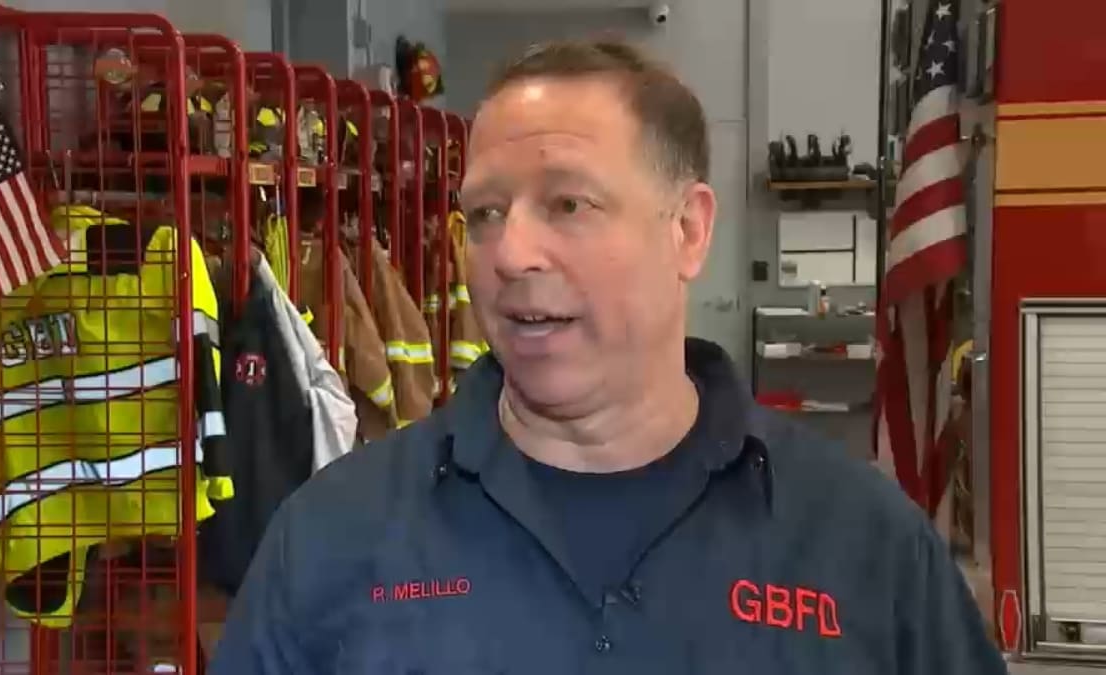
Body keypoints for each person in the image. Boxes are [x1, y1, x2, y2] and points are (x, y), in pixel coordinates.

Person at [208, 39, 1007, 674]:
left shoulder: (869, 549)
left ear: (688, 230)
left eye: (568, 203)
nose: (510, 250)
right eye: (485, 212)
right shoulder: (328, 538)